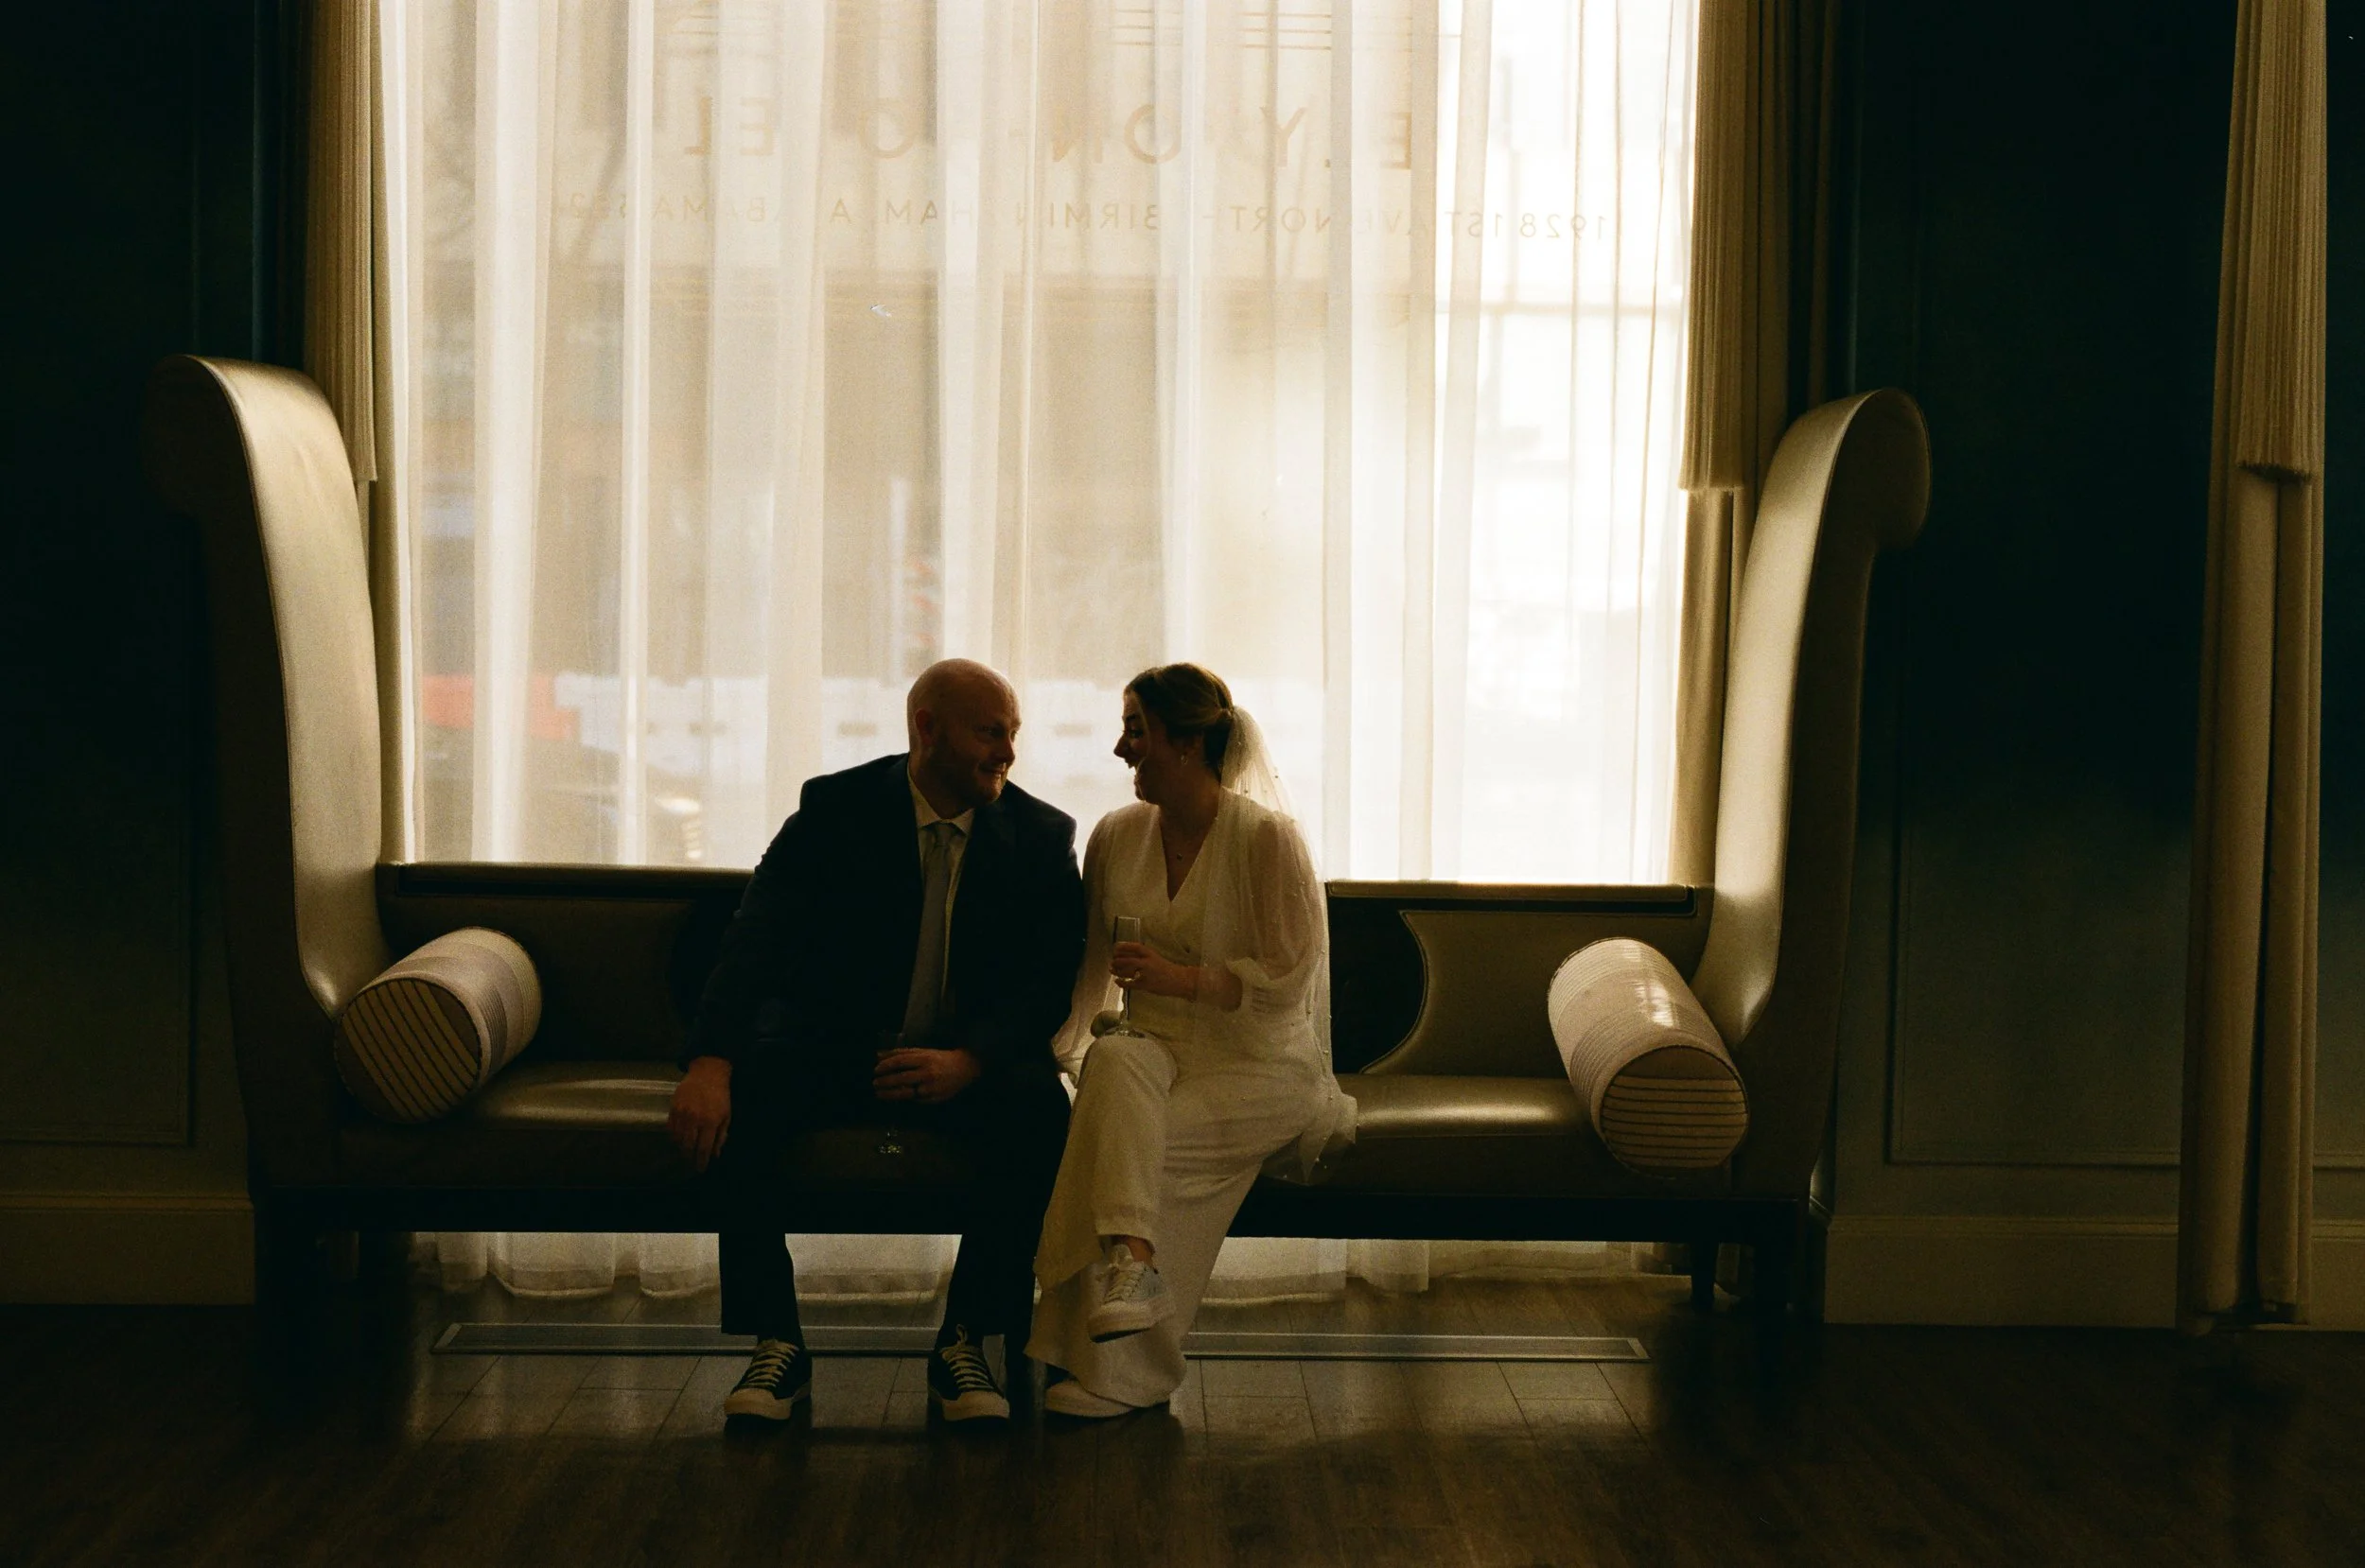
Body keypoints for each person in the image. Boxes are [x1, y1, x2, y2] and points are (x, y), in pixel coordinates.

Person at [669, 659, 1083, 1426]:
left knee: (1038, 1108)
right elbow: (756, 939)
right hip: (837, 1053)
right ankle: (777, 1343)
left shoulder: (1041, 835)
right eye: (990, 732)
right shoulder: (834, 810)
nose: (1008, 752)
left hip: (965, 1064)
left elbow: (1047, 983)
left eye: (1012, 733)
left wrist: (970, 1060)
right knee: (746, 1090)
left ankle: (966, 1340)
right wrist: (709, 1062)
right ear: (927, 728)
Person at [1027, 663, 1355, 1419]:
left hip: (1256, 1064)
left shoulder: (1266, 839)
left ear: (1185, 742)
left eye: (1135, 730)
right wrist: (1058, 1050)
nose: (1121, 748)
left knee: (1128, 1147)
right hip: (1152, 1046)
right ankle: (1132, 1268)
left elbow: (1289, 977)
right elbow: (1092, 968)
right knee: (1114, 1060)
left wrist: (1180, 979)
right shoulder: (1116, 835)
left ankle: (1123, 1375)